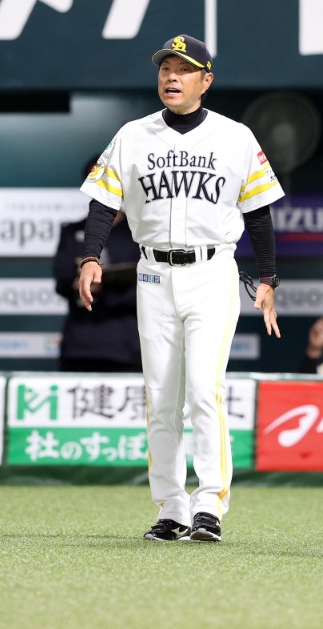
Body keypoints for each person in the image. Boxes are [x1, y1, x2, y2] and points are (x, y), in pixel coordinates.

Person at [78, 33, 284, 544]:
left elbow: (258, 210)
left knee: (203, 390)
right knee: (160, 395)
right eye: (166, 68)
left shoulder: (235, 136)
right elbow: (104, 202)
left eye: (184, 69)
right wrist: (90, 256)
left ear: (205, 81)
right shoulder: (132, 135)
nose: (171, 76)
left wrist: (269, 276)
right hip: (153, 273)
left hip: (213, 272)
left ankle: (209, 503)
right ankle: (171, 507)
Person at [52, 157, 141, 373]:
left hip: (125, 342)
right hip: (79, 342)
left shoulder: (141, 234)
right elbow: (61, 279)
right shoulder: (72, 231)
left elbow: (150, 283)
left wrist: (103, 288)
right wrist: (78, 285)